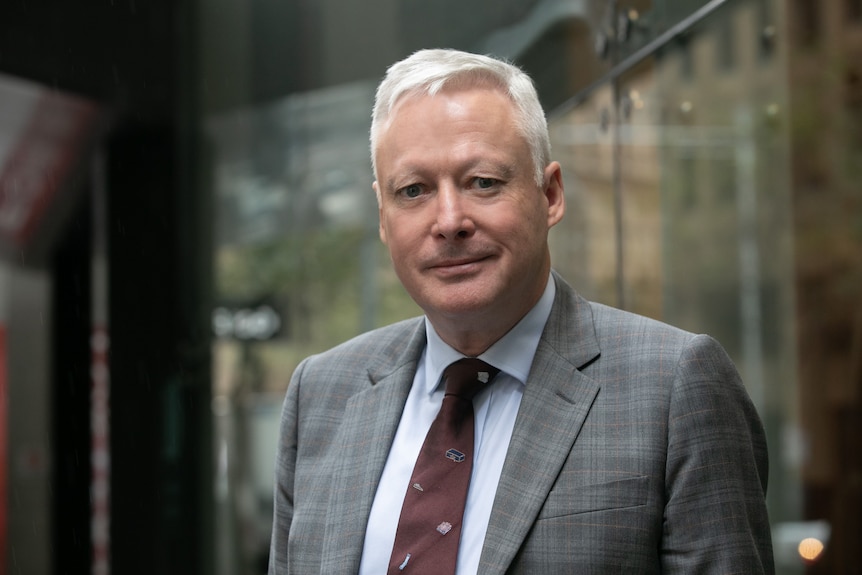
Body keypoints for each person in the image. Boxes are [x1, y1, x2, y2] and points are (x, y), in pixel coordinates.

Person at [268, 48, 773, 574]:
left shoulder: (675, 388)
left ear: (550, 194)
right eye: (413, 190)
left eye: (482, 182)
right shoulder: (321, 394)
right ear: (382, 217)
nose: (449, 220)